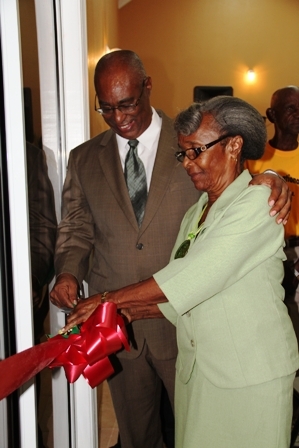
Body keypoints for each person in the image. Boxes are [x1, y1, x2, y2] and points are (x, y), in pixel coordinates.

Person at [50, 50, 292, 448]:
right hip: (177, 346)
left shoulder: (242, 187)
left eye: (125, 104)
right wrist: (102, 306)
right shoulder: (194, 205)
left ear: (147, 87)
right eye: (106, 108)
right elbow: (78, 228)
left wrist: (107, 300)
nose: (187, 163)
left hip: (240, 365)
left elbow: (193, 273)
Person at [245, 85, 299, 342]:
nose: (298, 114)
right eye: (291, 109)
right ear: (272, 114)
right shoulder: (253, 159)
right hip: (264, 249)